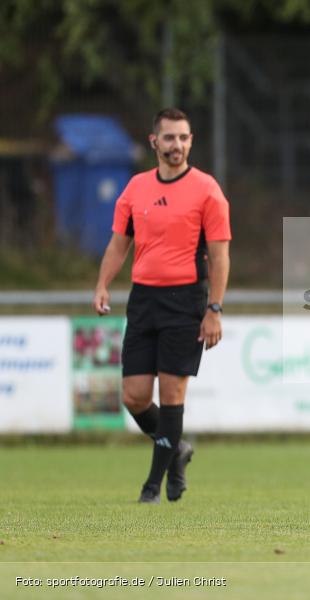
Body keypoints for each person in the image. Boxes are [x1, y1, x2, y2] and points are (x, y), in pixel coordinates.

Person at [92, 108, 231, 504]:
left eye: (184, 138)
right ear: (154, 141)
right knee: (133, 396)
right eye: (169, 138)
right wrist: (103, 284)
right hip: (144, 299)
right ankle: (178, 450)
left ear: (191, 141)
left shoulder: (207, 190)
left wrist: (214, 308)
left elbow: (220, 257)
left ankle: (153, 485)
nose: (177, 145)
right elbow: (119, 243)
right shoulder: (135, 188)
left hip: (186, 300)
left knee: (172, 393)